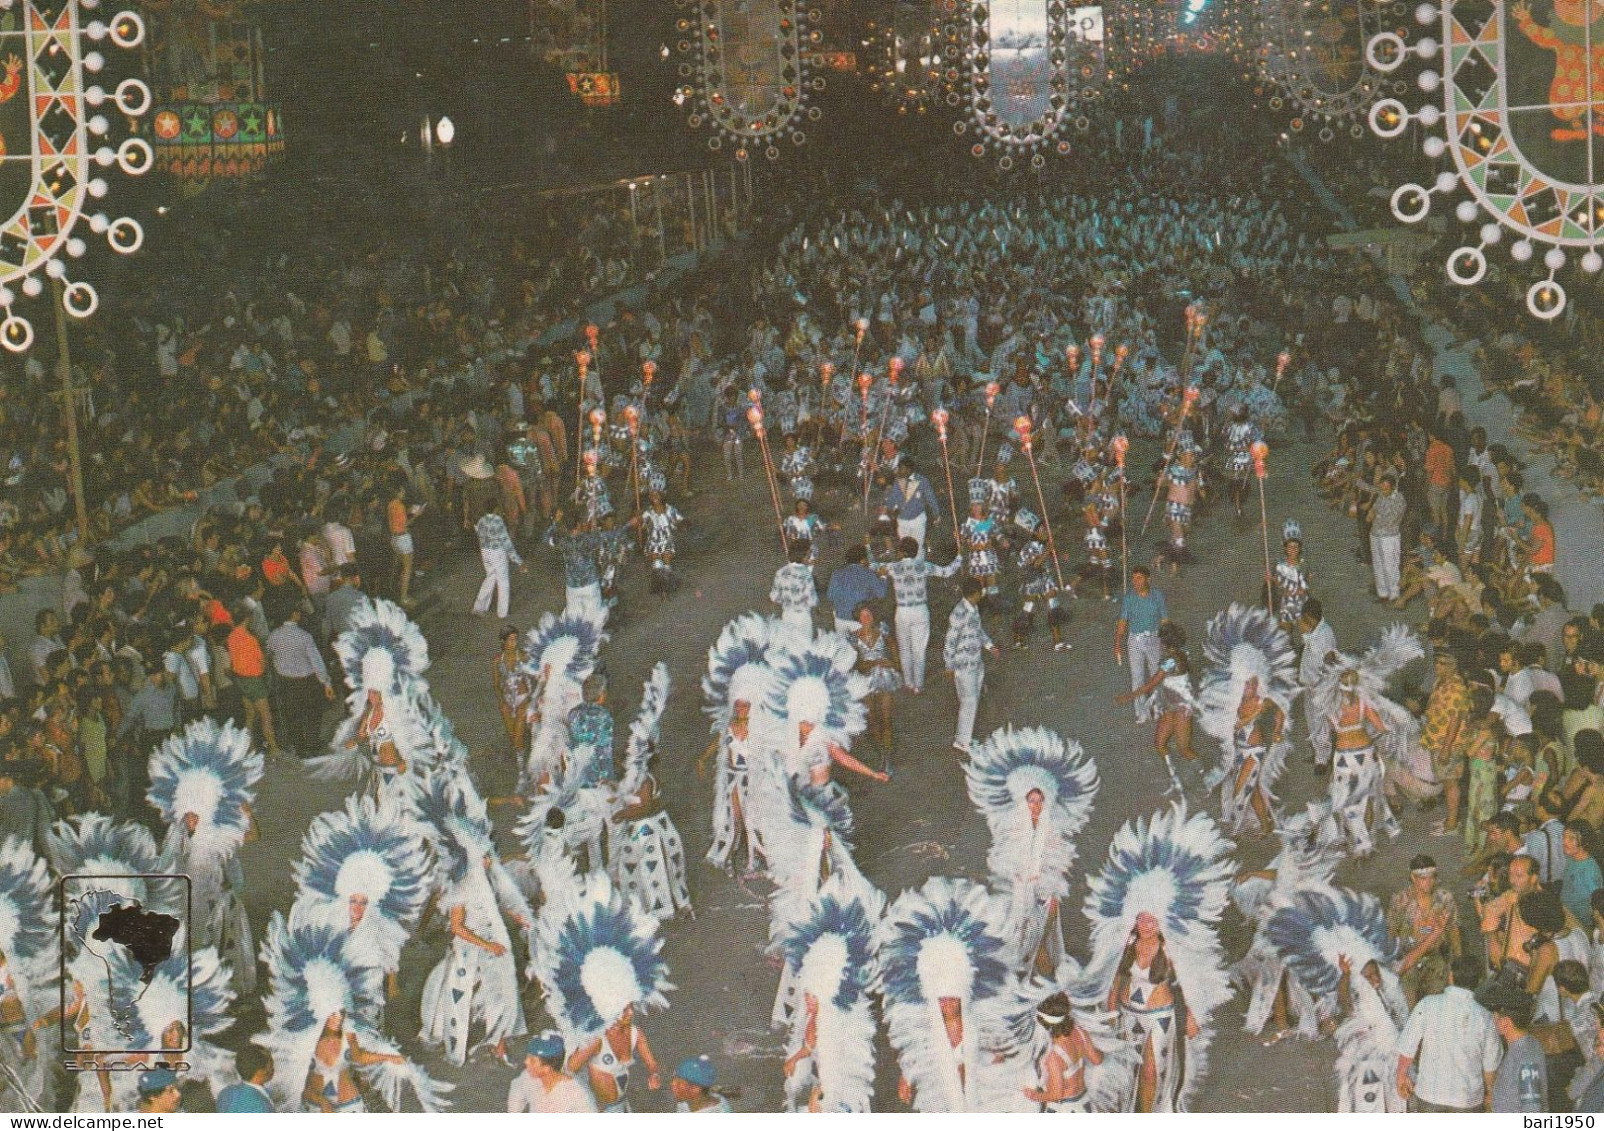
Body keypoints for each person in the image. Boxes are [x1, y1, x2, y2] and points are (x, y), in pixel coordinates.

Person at [1395, 955, 1502, 1113]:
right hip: (1468, 1101)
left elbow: (1407, 1047)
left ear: (1450, 976)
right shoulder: (1484, 1016)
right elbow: (1491, 1065)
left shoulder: (1427, 1004)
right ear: (1479, 981)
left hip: (1430, 1096)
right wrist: (1490, 1093)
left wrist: (1401, 1076)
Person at [1116, 621, 1196, 795]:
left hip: (1182, 709)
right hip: (1171, 707)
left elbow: (1150, 685)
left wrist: (1127, 697)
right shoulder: (1183, 654)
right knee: (1160, 743)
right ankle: (1175, 780)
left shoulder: (1168, 662)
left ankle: (1206, 778)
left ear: (1165, 643)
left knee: (1184, 749)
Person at [875, 536, 961, 694]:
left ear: (901, 552)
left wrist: (870, 553)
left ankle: (908, 682)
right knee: (919, 650)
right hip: (920, 611)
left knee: (904, 648)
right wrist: (959, 557)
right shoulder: (923, 566)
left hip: (902, 611)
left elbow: (873, 566)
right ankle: (918, 685)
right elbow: (947, 572)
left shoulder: (894, 567)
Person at [1388, 855, 1462, 1005]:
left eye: (1432, 877)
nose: (1429, 882)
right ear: (1413, 878)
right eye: (1423, 878)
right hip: (1409, 959)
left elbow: (1453, 929)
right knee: (1408, 1006)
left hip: (1436, 958)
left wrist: (1459, 961)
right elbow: (1391, 932)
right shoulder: (1401, 901)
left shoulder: (1444, 898)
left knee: (1438, 1004)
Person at [567, 1003, 663, 1112]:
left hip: (624, 1102)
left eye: (631, 1006)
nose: (631, 1012)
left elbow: (652, 1064)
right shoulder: (596, 1039)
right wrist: (587, 1102)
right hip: (602, 1109)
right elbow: (568, 1070)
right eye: (625, 1009)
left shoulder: (636, 1033)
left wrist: (654, 1075)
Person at [266, 605, 334, 758]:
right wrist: (326, 683)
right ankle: (312, 743)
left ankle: (299, 747)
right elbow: (316, 662)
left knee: (292, 714)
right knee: (313, 712)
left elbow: (269, 653)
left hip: (285, 681)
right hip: (306, 681)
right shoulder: (304, 636)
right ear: (294, 615)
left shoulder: (273, 635)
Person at [944, 575, 999, 754]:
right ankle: (962, 741)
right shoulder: (959, 613)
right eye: (980, 592)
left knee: (969, 701)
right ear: (974, 594)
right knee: (969, 701)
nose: (982, 594)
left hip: (976, 661)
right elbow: (950, 641)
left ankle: (965, 737)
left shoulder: (973, 608)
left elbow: (978, 630)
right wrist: (949, 665)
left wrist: (989, 645)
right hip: (964, 665)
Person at [1025, 993, 1104, 1111]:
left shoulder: (1053, 1056)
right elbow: (1097, 1060)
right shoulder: (1079, 1032)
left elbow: (1057, 1094)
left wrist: (1034, 1095)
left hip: (1063, 1108)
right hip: (1084, 1103)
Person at [1114, 566, 1168, 722]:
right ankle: (1141, 712)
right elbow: (1123, 621)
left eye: (1139, 578)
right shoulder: (1129, 598)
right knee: (1137, 677)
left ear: (1148, 579)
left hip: (1154, 638)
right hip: (1135, 640)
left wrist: (1167, 640)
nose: (1135, 582)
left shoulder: (1157, 596)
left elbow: (1164, 619)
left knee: (1155, 673)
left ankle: (1158, 708)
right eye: (1133, 578)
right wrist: (1117, 643)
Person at [227, 605, 280, 759]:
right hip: (254, 680)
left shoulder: (231, 637)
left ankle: (250, 748)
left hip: (240, 680)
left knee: (250, 715)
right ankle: (273, 747)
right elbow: (262, 663)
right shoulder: (250, 639)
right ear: (246, 618)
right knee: (266, 716)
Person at [1485, 988, 1547, 1114]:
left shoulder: (1526, 1058)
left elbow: (1532, 1111)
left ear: (1506, 1023)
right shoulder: (1525, 1044)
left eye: (1495, 1017)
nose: (1493, 1022)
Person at [508, 1031, 598, 1114]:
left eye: (532, 1060)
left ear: (547, 1068)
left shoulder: (578, 1095)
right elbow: (516, 1095)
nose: (526, 1062)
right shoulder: (527, 1077)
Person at [471, 500, 526, 620]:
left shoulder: (481, 520)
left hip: (485, 552)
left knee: (490, 577)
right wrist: (518, 561)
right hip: (498, 553)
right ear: (496, 509)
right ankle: (502, 612)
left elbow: (478, 533)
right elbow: (506, 542)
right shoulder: (498, 521)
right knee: (503, 581)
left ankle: (479, 607)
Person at [826, 545, 887, 635]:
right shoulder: (868, 573)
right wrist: (883, 576)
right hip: (859, 621)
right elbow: (881, 594)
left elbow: (830, 597)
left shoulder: (836, 573)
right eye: (867, 558)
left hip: (840, 620)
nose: (868, 562)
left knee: (843, 648)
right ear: (862, 560)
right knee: (860, 648)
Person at [770, 539, 818, 646]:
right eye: (808, 555)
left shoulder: (781, 572)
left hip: (786, 616)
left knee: (789, 649)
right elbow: (812, 601)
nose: (810, 558)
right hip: (803, 618)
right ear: (803, 556)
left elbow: (774, 597)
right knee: (804, 651)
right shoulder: (806, 574)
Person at [1368, 475, 1407, 603]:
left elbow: (1391, 519)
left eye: (1386, 489)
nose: (1383, 491)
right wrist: (1372, 512)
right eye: (1382, 488)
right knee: (1378, 563)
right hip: (1375, 534)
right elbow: (1375, 508)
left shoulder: (1399, 499)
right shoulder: (1381, 495)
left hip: (1390, 537)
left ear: (1393, 487)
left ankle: (1394, 594)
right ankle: (1383, 593)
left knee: (1391, 565)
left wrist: (1376, 516)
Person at [1563, 822, 1604, 927]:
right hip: (1567, 916)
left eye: (1571, 839)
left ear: (1585, 842)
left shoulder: (1589, 870)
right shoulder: (1571, 859)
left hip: (1581, 924)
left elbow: (1597, 905)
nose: (1564, 842)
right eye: (1564, 836)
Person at [215, 1048, 277, 1113]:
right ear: (260, 1071)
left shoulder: (225, 1092)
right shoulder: (262, 1106)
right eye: (271, 1066)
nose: (273, 1069)